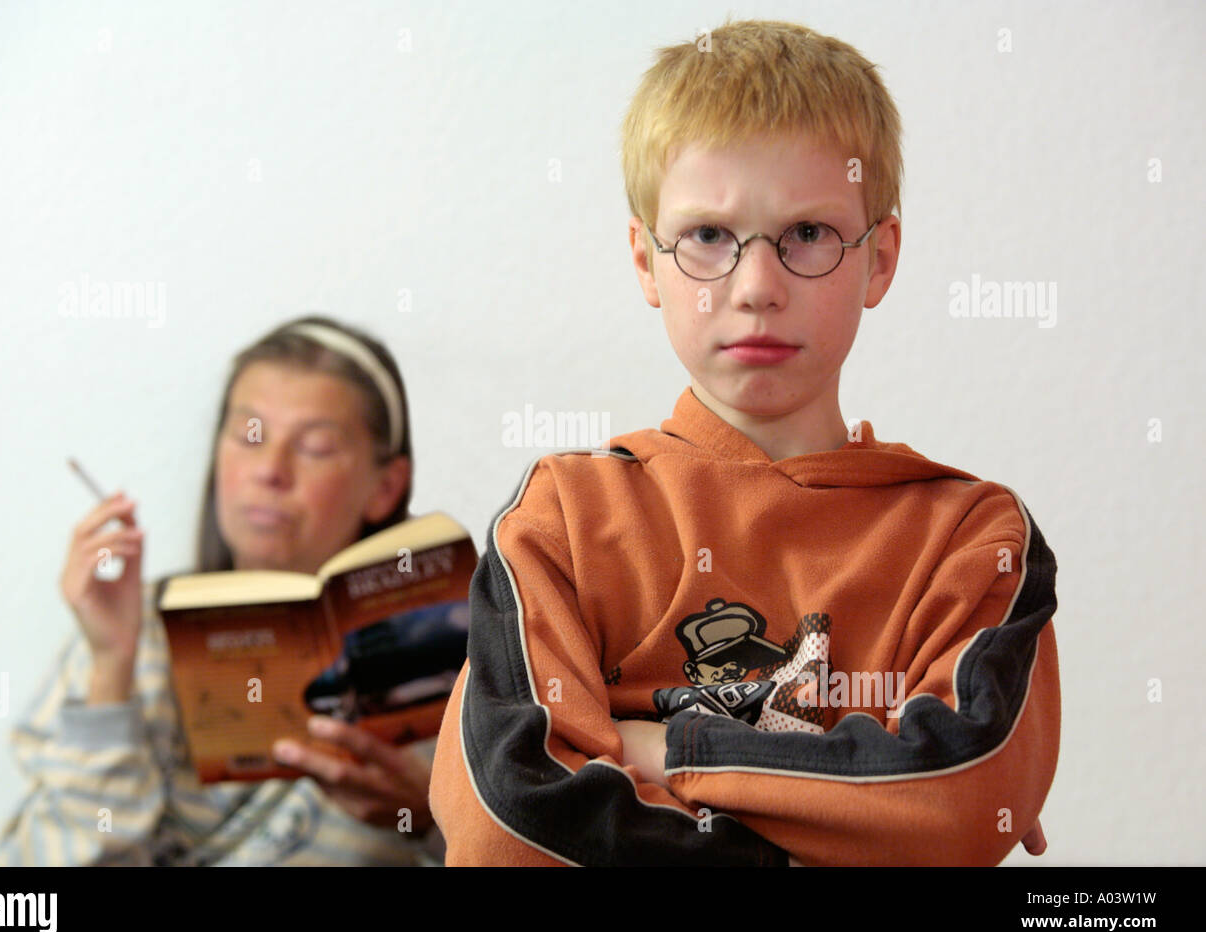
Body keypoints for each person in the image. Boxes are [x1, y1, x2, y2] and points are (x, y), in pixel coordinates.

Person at [428, 19, 1059, 865]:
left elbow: (965, 794)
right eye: (708, 237)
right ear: (646, 263)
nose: (757, 287)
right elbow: (508, 824)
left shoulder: (972, 538)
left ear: (879, 259)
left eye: (808, 234)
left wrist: (660, 749)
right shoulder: (565, 520)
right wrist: (849, 819)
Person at [0, 316, 448, 865]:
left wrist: (430, 816)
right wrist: (111, 664)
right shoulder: (131, 632)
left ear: (386, 487)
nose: (271, 471)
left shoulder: (458, 665)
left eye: (317, 446)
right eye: (250, 435)